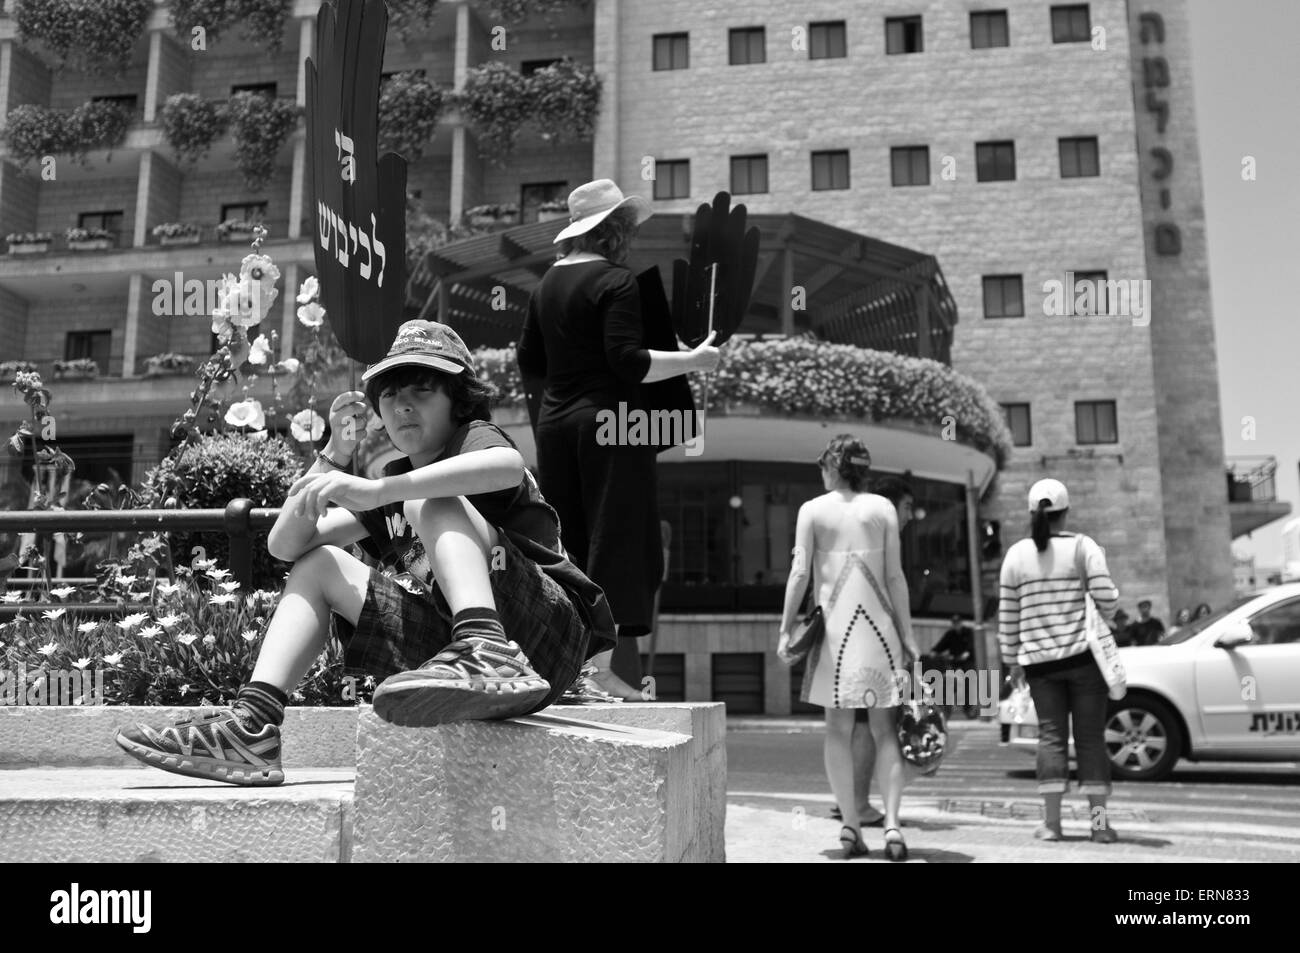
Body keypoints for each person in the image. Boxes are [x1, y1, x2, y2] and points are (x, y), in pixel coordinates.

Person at [115, 320, 612, 784]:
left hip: (546, 637)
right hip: (453, 660)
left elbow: (506, 466)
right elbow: (284, 545)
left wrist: (378, 492)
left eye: (422, 389)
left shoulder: (472, 440)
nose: (402, 406)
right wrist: (333, 455)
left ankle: (487, 648)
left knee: (425, 497)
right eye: (391, 395)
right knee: (320, 564)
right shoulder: (393, 485)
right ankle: (252, 727)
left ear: (459, 401)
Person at [517, 179, 720, 700]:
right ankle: (600, 670)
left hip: (555, 427)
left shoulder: (544, 287)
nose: (629, 235)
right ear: (612, 232)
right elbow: (628, 362)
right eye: (625, 226)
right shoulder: (616, 281)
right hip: (612, 425)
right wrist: (694, 360)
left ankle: (566, 663)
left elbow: (530, 364)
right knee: (620, 538)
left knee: (569, 540)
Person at [778, 436, 919, 860]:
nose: (820, 471)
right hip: (881, 631)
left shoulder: (812, 510)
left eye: (823, 464)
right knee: (885, 730)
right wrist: (909, 635)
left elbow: (799, 573)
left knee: (837, 730)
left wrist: (785, 629)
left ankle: (850, 829)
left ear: (834, 467)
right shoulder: (883, 509)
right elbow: (896, 577)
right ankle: (892, 828)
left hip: (835, 633)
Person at [999, 478, 1120, 843]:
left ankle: (1052, 825)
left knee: (1051, 738)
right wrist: (1107, 613)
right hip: (1084, 659)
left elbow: (1008, 615)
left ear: (1032, 513)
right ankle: (1099, 826)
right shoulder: (1085, 548)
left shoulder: (1016, 555)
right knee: (1090, 739)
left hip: (1039, 665)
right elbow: (1107, 597)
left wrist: (1011, 660)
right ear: (1065, 512)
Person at [829, 475, 914, 828]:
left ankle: (853, 805)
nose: (912, 515)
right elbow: (891, 588)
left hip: (849, 639)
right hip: (875, 643)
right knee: (873, 726)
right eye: (908, 507)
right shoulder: (880, 540)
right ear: (890, 507)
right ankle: (860, 807)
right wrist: (906, 641)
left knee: (857, 725)